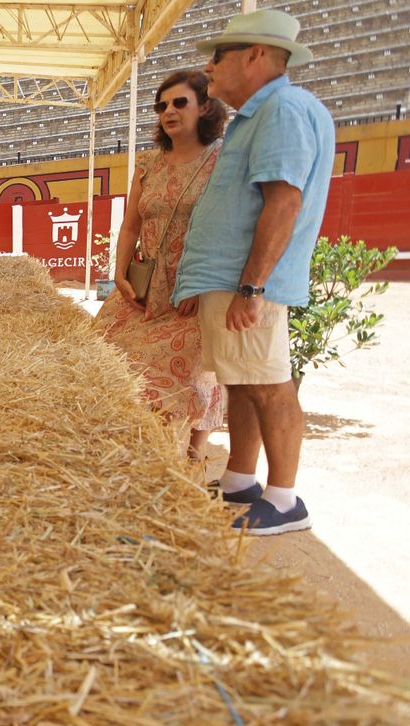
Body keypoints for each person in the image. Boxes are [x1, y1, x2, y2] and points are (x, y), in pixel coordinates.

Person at [172, 9, 333, 536]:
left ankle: (284, 500)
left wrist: (252, 286)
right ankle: (241, 480)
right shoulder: (259, 114)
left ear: (255, 56)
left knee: (268, 383)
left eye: (219, 56)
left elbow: (283, 203)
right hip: (231, 279)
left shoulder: (283, 109)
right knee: (241, 380)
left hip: (247, 281)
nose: (209, 68)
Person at [95, 71, 227, 460]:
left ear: (205, 107)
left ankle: (193, 458)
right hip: (144, 287)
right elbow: (130, 224)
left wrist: (203, 285)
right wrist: (119, 273)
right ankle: (146, 454)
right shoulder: (147, 164)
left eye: (179, 102)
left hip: (195, 290)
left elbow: (228, 227)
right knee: (106, 355)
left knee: (193, 373)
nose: (168, 111)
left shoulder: (222, 159)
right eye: (161, 105)